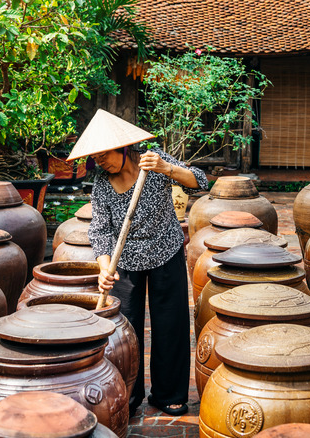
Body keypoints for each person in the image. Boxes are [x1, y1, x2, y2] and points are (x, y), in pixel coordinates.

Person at [88, 144, 208, 417]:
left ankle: (169, 393)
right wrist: (105, 268)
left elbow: (199, 182)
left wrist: (167, 168)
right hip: (125, 261)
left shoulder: (152, 159)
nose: (100, 162)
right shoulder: (102, 183)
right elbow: (100, 229)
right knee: (124, 333)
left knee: (171, 324)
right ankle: (127, 395)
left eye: (103, 155)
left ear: (122, 148)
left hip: (166, 251)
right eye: (95, 159)